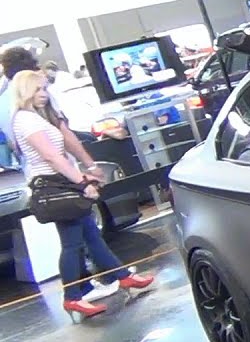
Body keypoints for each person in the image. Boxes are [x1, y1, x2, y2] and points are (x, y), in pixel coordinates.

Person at [8, 70, 154, 319]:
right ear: (26, 92)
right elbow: (51, 156)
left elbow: (62, 147)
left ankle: (122, 277)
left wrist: (82, 173)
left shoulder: (36, 117)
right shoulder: (26, 120)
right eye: (38, 89)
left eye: (44, 88)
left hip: (61, 182)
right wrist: (81, 181)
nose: (44, 94)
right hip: (56, 185)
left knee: (90, 235)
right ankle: (73, 297)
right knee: (72, 243)